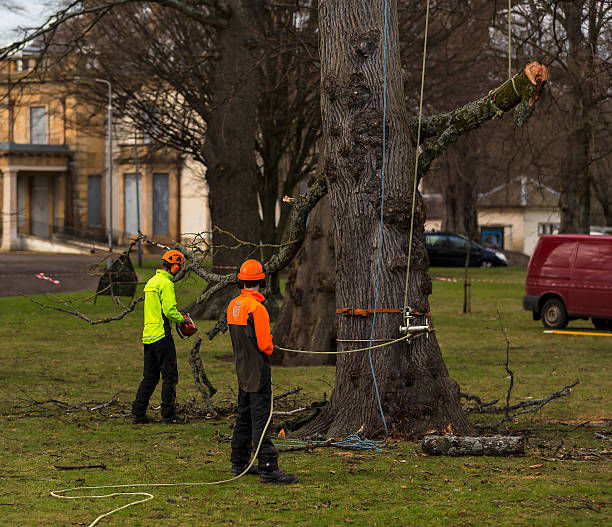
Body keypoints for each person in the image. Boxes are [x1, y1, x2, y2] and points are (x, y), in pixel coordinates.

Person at [226, 259, 299, 484]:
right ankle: (268, 467)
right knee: (261, 419)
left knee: (244, 416)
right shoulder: (257, 308)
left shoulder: (233, 306)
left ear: (241, 280)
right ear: (263, 280)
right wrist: (271, 345)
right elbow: (265, 345)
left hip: (242, 368)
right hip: (257, 369)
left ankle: (239, 462)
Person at [131, 249, 190, 425]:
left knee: (150, 377)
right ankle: (168, 415)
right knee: (170, 376)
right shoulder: (165, 283)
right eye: (179, 267)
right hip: (162, 337)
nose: (179, 270)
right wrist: (183, 319)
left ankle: (138, 413)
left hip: (148, 337)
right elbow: (169, 310)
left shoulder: (151, 282)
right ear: (172, 266)